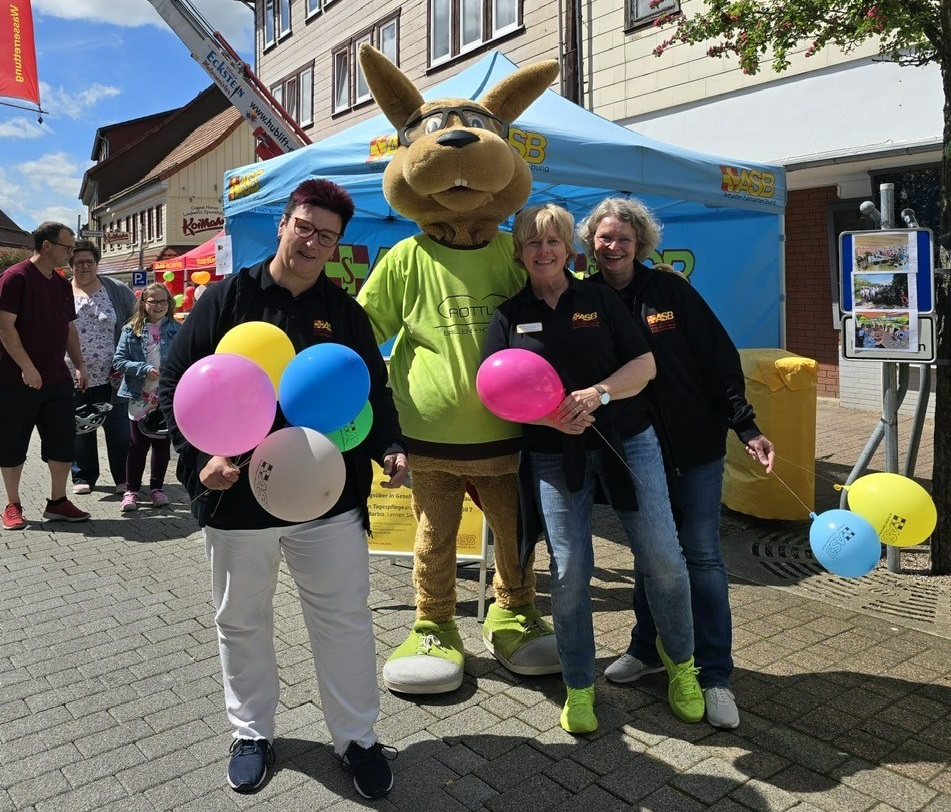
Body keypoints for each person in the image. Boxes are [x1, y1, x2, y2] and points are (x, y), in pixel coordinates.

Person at [158, 179, 408, 799]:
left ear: (337, 245)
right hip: (238, 497)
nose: (313, 241)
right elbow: (174, 387)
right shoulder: (226, 299)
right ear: (282, 224)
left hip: (328, 499)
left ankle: (357, 739)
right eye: (305, 226)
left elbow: (373, 395)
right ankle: (251, 733)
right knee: (240, 620)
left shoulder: (346, 314)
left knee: (344, 620)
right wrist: (198, 464)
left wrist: (390, 446)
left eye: (327, 235)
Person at [483, 204, 702, 735]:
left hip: (629, 440)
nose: (544, 251)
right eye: (533, 243)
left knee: (664, 559)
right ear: (519, 253)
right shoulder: (508, 316)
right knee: (569, 571)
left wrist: (598, 394)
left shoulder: (599, 297)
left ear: (568, 248)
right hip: (554, 454)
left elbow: (644, 366)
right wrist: (550, 418)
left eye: (553, 241)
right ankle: (580, 685)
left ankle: (683, 668)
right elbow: (493, 392)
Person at [579, 196, 774, 730]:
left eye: (622, 237)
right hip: (635, 450)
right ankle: (647, 649)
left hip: (695, 448)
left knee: (702, 557)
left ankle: (714, 675)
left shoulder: (669, 290)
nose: (611, 245)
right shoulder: (585, 300)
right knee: (652, 554)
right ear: (590, 242)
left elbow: (718, 358)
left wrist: (747, 426)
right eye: (602, 236)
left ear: (639, 243)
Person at [0, 222, 91, 529]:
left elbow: (69, 328)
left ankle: (57, 501)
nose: (72, 253)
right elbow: (4, 327)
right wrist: (27, 367)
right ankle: (12, 505)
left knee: (62, 442)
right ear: (48, 246)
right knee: (12, 443)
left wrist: (79, 364)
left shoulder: (62, 283)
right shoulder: (15, 278)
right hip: (14, 381)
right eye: (68, 247)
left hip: (56, 379)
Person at [67, 239, 137, 495]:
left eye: (89, 262)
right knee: (81, 426)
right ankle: (83, 476)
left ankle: (123, 477)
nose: (84, 267)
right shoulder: (61, 292)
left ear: (97, 264)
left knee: (118, 427)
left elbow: (135, 322)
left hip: (113, 374)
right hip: (73, 373)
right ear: (70, 266)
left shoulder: (116, 289)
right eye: (78, 263)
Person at [113, 282, 180, 511]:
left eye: (163, 301)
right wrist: (143, 369)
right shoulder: (131, 329)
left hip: (166, 396)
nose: (158, 305)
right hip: (139, 395)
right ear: (144, 303)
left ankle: (157, 489)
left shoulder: (176, 328)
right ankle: (131, 491)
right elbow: (118, 361)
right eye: (153, 301)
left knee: (161, 446)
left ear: (169, 303)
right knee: (137, 445)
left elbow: (184, 360)